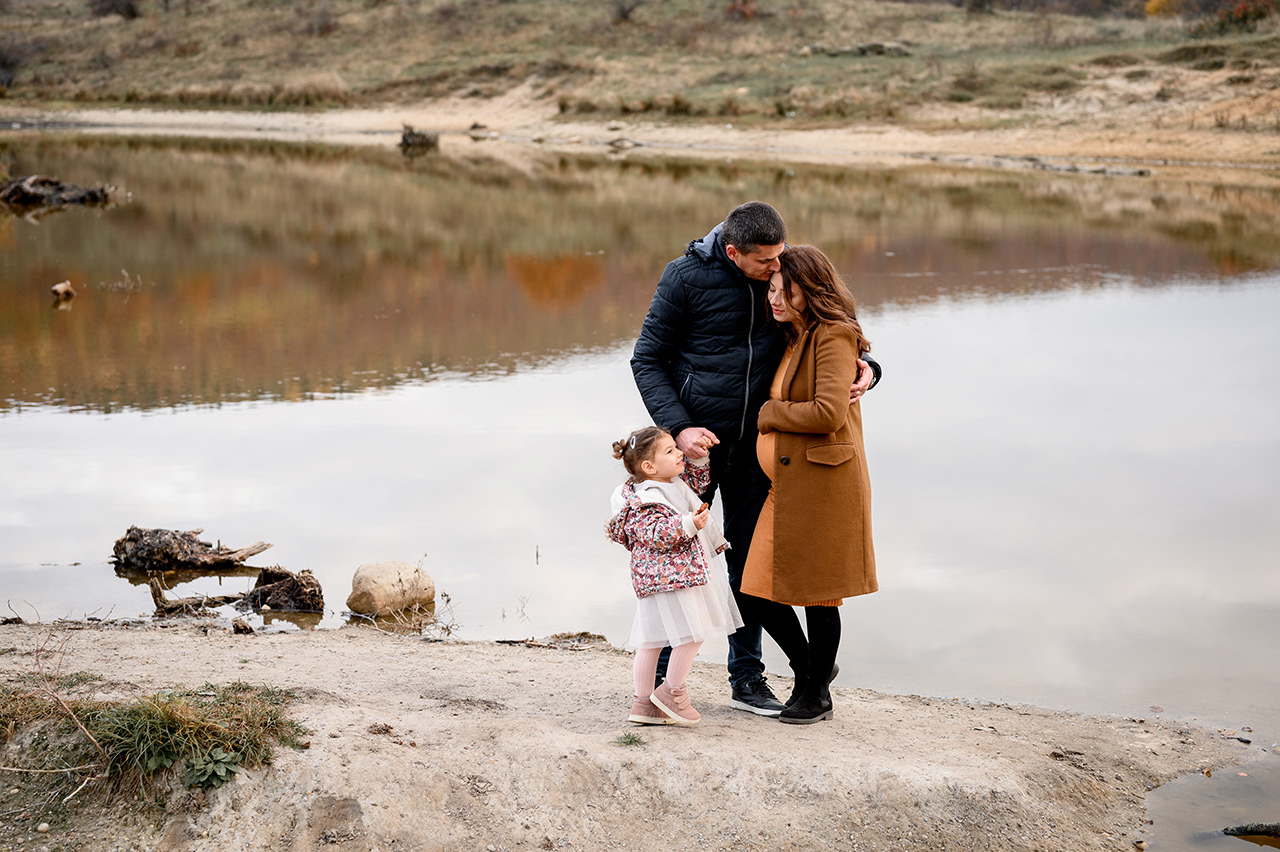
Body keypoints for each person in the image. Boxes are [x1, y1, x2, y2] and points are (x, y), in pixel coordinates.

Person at [631, 201, 880, 716]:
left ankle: (747, 679)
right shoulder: (684, 278)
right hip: (694, 450)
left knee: (750, 567)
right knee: (675, 557)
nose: (775, 269)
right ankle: (659, 682)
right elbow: (648, 357)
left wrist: (871, 367)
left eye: (779, 257)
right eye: (765, 262)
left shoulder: (785, 280)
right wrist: (680, 427)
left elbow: (827, 331)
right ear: (732, 252)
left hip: (761, 455)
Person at [740, 244, 878, 724]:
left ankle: (817, 694)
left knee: (819, 593)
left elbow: (828, 413)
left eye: (786, 291)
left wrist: (769, 413)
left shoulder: (833, 334)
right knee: (754, 588)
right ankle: (811, 669)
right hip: (787, 484)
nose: (775, 299)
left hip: (824, 483)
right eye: (771, 290)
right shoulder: (794, 334)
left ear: (812, 290)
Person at [606, 426, 744, 727]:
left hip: (666, 577)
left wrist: (699, 459)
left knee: (653, 640)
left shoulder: (671, 483)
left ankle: (644, 704)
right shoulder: (645, 499)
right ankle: (672, 692)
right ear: (649, 467)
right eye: (670, 451)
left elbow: (697, 484)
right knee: (693, 634)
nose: (679, 453)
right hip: (669, 578)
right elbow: (655, 533)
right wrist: (688, 524)